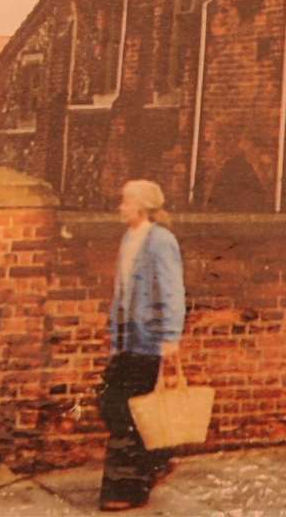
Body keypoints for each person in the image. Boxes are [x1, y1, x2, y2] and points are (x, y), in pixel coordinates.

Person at [98, 179, 185, 511]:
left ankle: (126, 490)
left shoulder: (161, 241)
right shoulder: (128, 238)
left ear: (141, 206)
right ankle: (156, 461)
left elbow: (173, 291)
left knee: (129, 411)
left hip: (149, 341)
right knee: (114, 405)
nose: (120, 207)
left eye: (125, 202)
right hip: (125, 341)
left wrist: (170, 339)